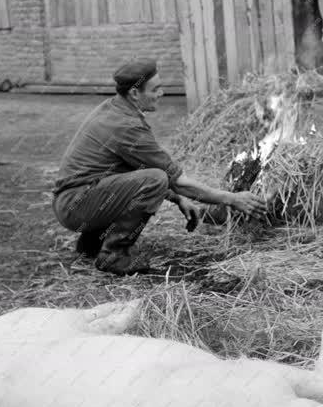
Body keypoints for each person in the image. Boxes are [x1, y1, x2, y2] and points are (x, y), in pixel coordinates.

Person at [52, 58, 267, 275]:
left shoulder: (115, 108)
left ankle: (92, 243)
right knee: (155, 179)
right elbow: (176, 181)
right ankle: (114, 255)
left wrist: (177, 198)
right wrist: (232, 198)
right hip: (76, 205)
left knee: (152, 178)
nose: (162, 93)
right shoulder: (126, 126)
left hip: (75, 200)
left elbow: (132, 170)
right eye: (155, 89)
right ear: (135, 94)